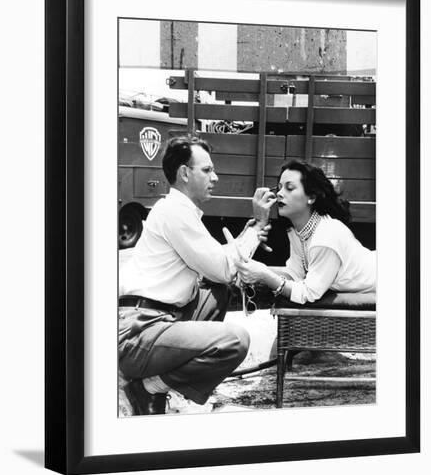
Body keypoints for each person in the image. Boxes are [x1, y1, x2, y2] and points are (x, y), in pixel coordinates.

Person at [118, 135, 275, 415]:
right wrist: (256, 227)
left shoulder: (179, 211)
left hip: (158, 319)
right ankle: (149, 388)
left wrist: (250, 232)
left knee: (217, 293)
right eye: (207, 170)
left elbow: (219, 262)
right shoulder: (175, 213)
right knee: (235, 341)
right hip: (139, 332)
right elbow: (225, 268)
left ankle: (162, 387)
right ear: (184, 173)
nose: (215, 177)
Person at [235, 160, 376, 304]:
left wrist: (264, 274)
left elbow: (308, 293)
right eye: (279, 188)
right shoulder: (297, 230)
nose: (280, 194)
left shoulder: (326, 236)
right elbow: (295, 274)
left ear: (312, 197)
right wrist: (256, 269)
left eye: (289, 188)